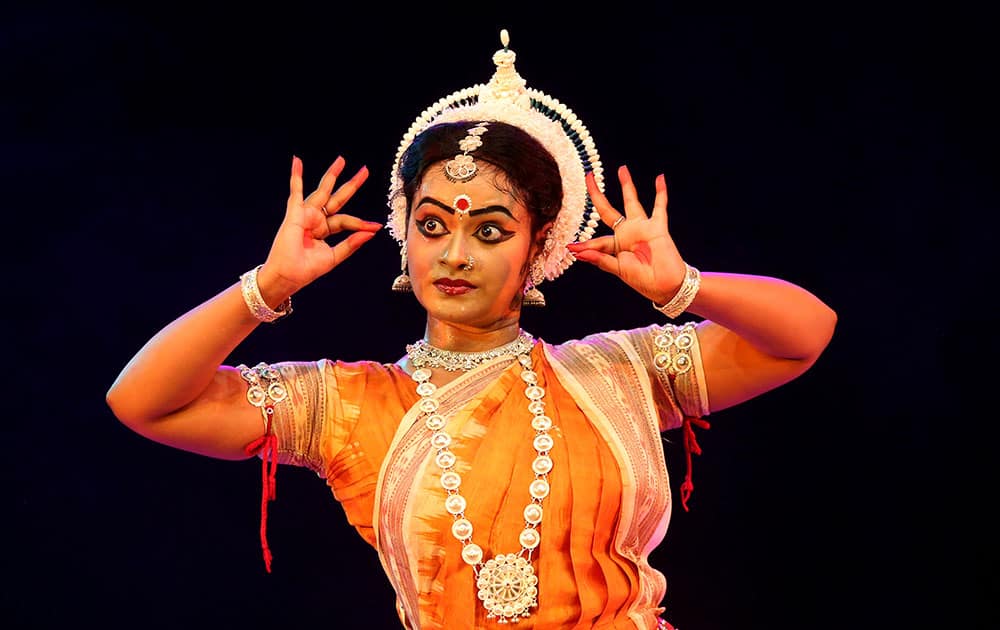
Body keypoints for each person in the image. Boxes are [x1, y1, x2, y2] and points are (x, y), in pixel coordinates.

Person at [106, 28, 836, 629]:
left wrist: (683, 287)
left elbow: (807, 332)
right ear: (405, 235)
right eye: (431, 226)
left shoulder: (617, 374)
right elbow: (143, 402)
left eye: (490, 231)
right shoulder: (351, 406)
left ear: (538, 248)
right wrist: (265, 289)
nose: (454, 255)